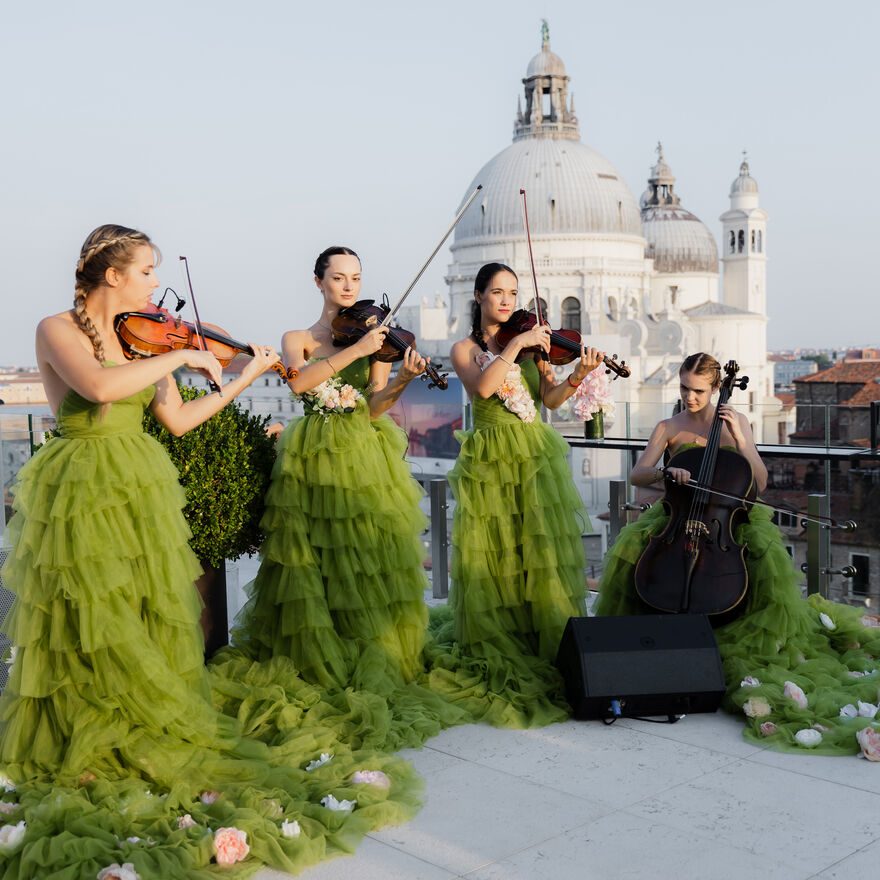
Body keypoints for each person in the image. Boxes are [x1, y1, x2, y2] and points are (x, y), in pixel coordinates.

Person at [0, 226, 421, 879]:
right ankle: (81, 743)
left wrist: (242, 375)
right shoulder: (59, 328)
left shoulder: (142, 336)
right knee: (86, 625)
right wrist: (182, 356)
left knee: (144, 620)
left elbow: (176, 420)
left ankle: (131, 736)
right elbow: (102, 389)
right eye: (145, 271)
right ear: (111, 274)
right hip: (82, 488)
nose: (152, 287)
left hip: (140, 482)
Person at [227, 245, 466, 746]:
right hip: (312, 454)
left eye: (356, 278)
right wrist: (356, 351)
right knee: (313, 561)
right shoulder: (300, 338)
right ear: (318, 282)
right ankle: (318, 660)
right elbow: (299, 385)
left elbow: (376, 407)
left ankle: (368, 653)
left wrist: (400, 378)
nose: (349, 287)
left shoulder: (376, 336)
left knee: (365, 560)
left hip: (363, 453)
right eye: (338, 278)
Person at [594, 352, 880, 756]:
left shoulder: (734, 423)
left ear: (715, 389)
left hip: (728, 524)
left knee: (758, 567)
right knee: (640, 559)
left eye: (697, 390)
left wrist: (743, 441)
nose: (689, 397)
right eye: (683, 388)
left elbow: (759, 482)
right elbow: (639, 472)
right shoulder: (668, 426)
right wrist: (666, 473)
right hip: (677, 518)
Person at [426, 262, 604, 726]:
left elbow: (550, 400)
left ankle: (540, 641)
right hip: (489, 459)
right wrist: (520, 344)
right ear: (479, 295)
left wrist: (577, 375)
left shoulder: (531, 345)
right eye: (498, 292)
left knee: (535, 550)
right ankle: (500, 638)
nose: (507, 301)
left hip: (531, 455)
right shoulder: (465, 348)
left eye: (513, 292)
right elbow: (483, 388)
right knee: (497, 552)